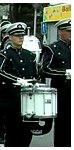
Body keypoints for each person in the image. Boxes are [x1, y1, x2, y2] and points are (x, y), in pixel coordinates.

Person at [0, 22, 38, 147]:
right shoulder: (5, 54)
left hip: (27, 100)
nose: (20, 38)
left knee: (27, 134)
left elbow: (35, 74)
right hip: (11, 100)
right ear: (10, 37)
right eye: (17, 35)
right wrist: (16, 80)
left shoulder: (30, 55)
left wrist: (34, 82)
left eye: (22, 35)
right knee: (13, 134)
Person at [40, 18, 71, 147]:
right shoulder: (52, 48)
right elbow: (44, 69)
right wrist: (65, 73)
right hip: (62, 94)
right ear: (60, 32)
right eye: (68, 31)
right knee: (63, 128)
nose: (71, 33)